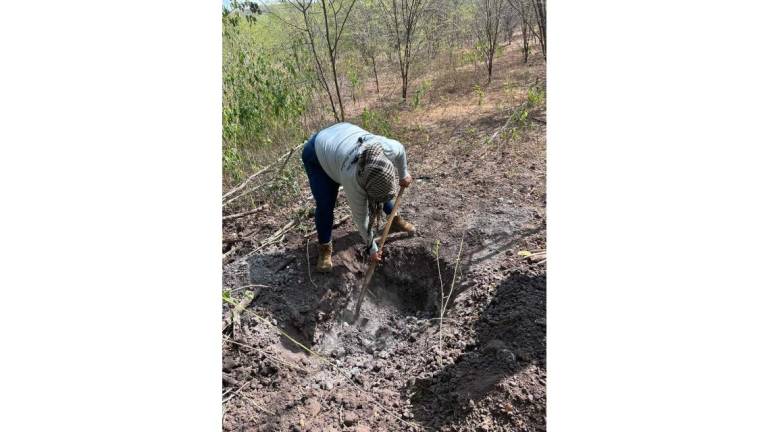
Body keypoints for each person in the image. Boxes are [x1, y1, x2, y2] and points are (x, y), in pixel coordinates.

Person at [301, 122, 415, 272]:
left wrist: (403, 173)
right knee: (325, 204)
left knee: (380, 187)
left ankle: (394, 220)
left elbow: (400, 149)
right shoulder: (352, 179)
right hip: (317, 152)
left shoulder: (385, 148)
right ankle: (324, 248)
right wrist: (372, 248)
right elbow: (361, 220)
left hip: (342, 135)